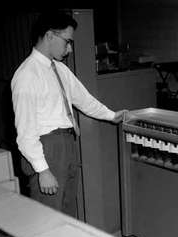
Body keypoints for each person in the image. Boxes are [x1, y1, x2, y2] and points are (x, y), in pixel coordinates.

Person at [11, 11, 128, 215]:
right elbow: (25, 133)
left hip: (66, 145)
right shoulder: (26, 76)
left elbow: (84, 99)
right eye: (67, 42)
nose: (70, 48)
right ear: (49, 36)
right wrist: (43, 170)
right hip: (47, 149)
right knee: (48, 218)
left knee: (67, 213)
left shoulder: (59, 69)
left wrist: (111, 115)